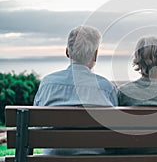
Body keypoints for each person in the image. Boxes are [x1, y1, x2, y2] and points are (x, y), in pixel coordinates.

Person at [34, 25, 118, 155]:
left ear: (67, 52)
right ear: (95, 55)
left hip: (54, 158)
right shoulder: (107, 88)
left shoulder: (47, 84)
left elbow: (36, 126)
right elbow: (114, 130)